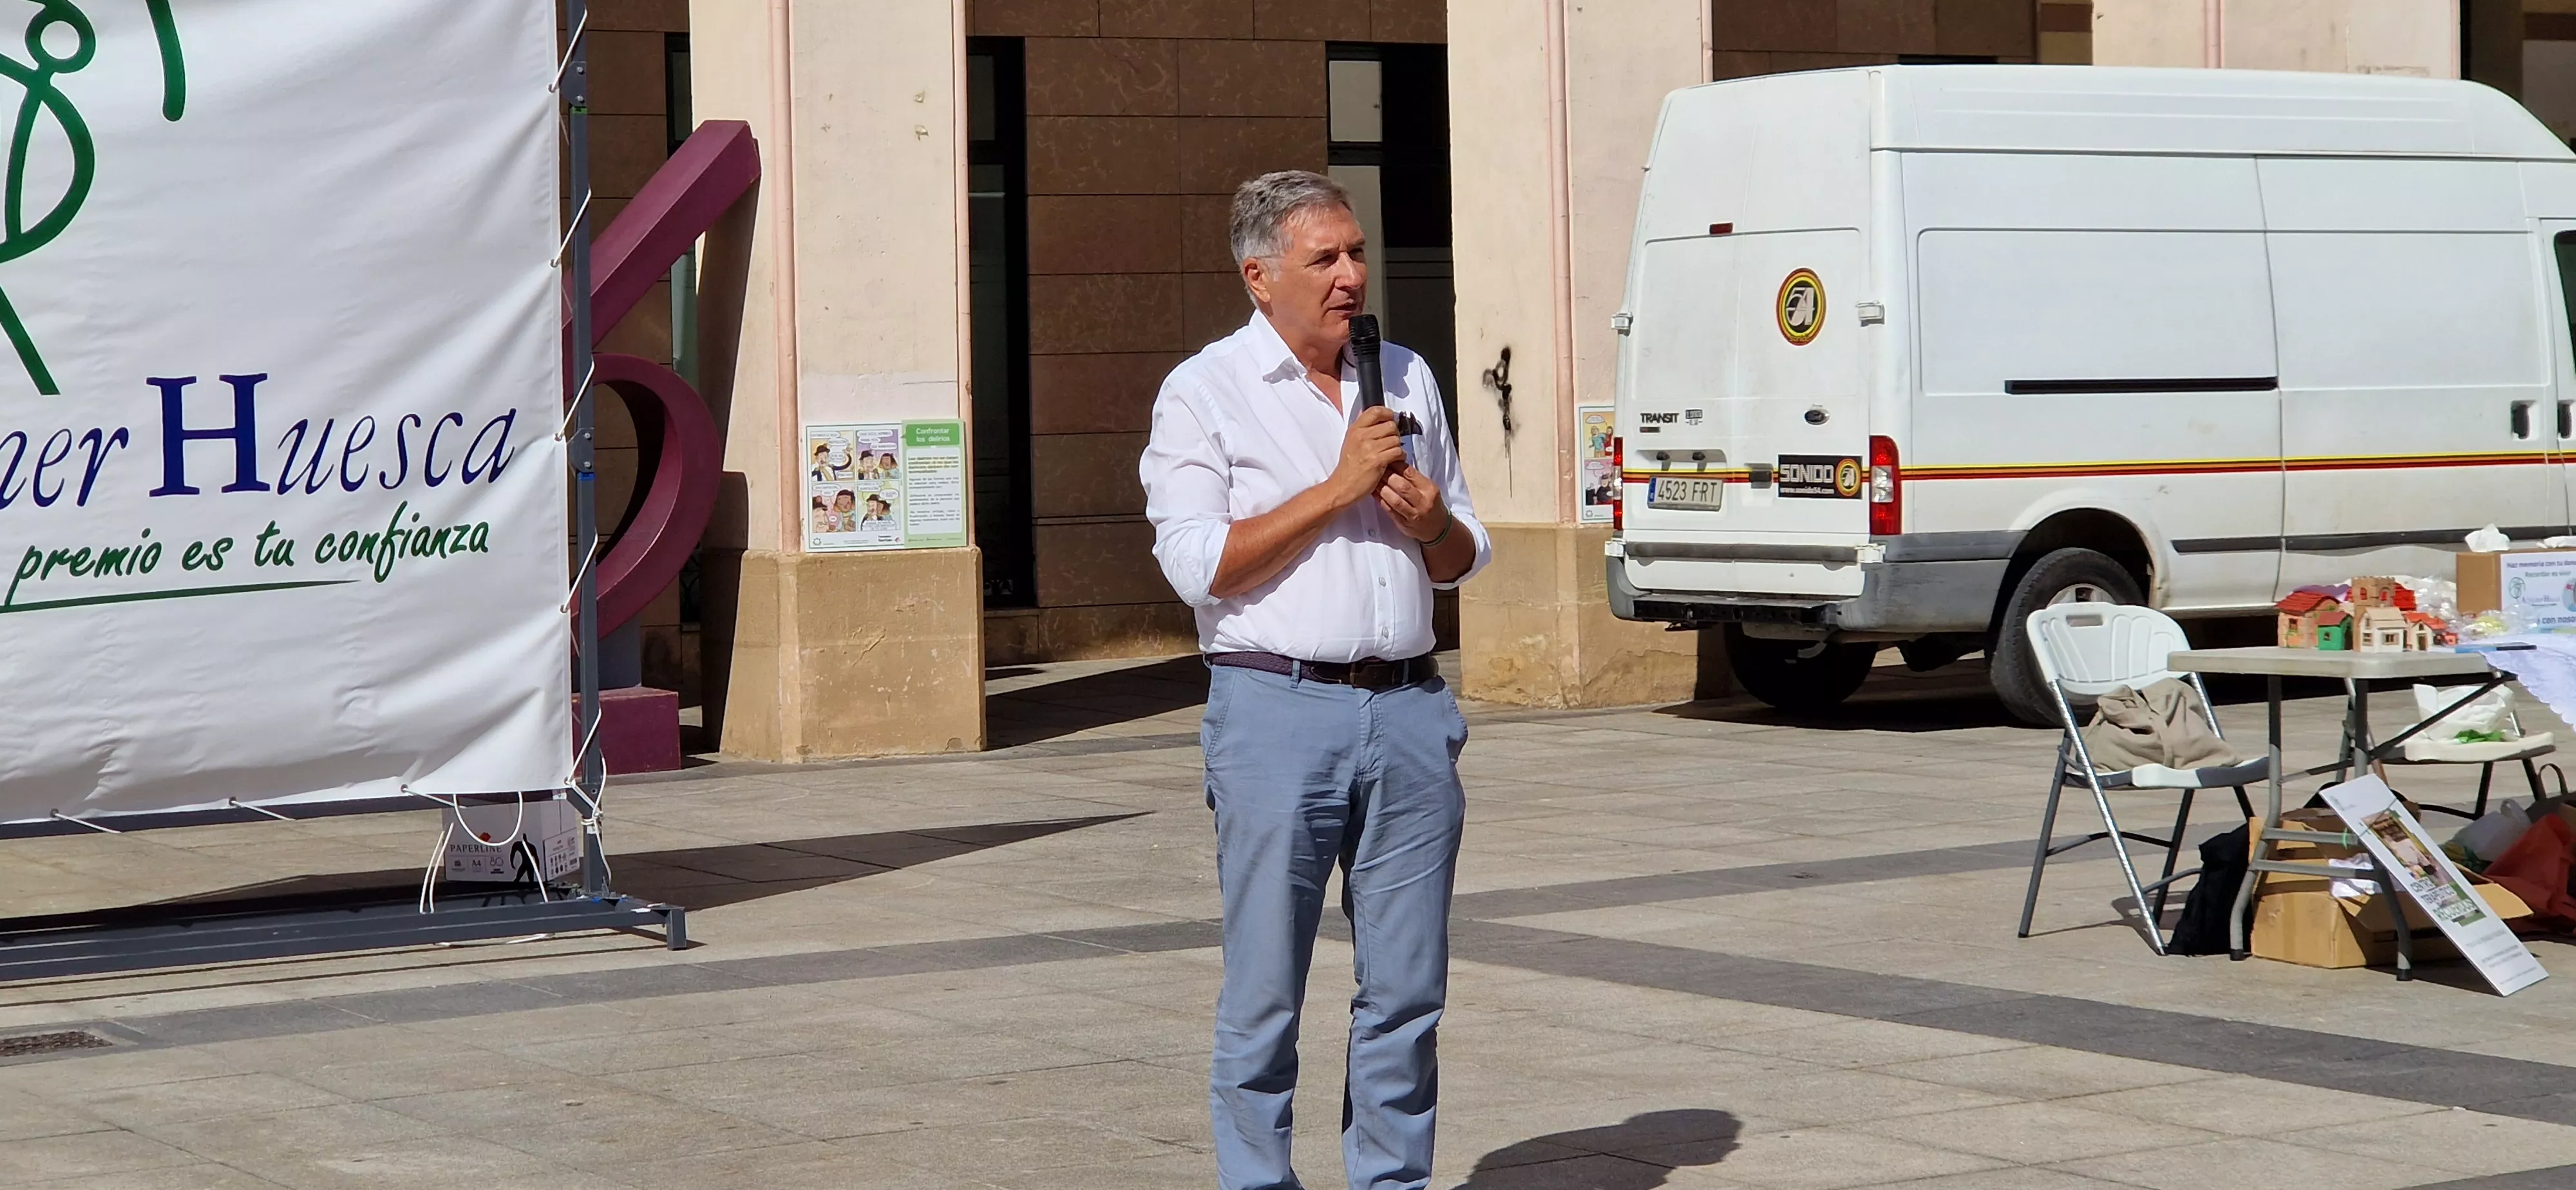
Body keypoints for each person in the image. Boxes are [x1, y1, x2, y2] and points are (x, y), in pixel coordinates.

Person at [1140, 169, 1489, 1190]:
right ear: (1259, 275)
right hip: (1276, 708)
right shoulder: (1204, 393)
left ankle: (1391, 1181)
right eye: (1323, 258)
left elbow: (1464, 553)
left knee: (1408, 992)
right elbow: (1198, 564)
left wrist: (1431, 525)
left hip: (1413, 709)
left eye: (1356, 252)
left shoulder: (1407, 376)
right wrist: (1336, 487)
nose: (1351, 276)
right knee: (1265, 994)